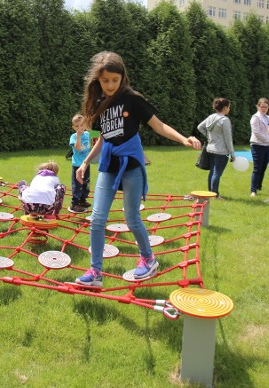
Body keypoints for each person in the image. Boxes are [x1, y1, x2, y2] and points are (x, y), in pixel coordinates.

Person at [71, 51, 201, 288]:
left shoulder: (133, 100)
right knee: (97, 219)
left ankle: (149, 259)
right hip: (108, 167)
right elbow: (103, 139)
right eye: (105, 80)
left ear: (122, 78)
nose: (110, 85)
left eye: (114, 80)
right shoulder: (100, 104)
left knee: (132, 218)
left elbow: (159, 126)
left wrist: (183, 139)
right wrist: (87, 161)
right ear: (98, 81)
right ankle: (95, 272)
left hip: (131, 166)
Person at [197, 97, 235, 199]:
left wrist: (209, 136)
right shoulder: (225, 120)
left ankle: (210, 193)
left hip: (210, 148)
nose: (229, 109)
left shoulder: (211, 117)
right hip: (221, 151)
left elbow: (200, 127)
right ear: (225, 107)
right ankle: (215, 195)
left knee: (212, 172)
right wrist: (232, 153)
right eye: (229, 107)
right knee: (217, 173)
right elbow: (228, 139)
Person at [67, 114, 92, 213]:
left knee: (86, 183)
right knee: (77, 184)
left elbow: (94, 145)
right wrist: (78, 136)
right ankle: (75, 203)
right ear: (73, 127)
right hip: (77, 165)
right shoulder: (73, 137)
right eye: (77, 126)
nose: (80, 128)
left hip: (86, 164)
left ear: (85, 125)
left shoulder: (88, 135)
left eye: (81, 125)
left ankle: (83, 200)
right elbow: (77, 148)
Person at [249, 98, 269, 197]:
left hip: (267, 146)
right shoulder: (255, 117)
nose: (264, 108)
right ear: (258, 106)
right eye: (262, 106)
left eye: (266, 107)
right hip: (257, 145)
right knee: (257, 168)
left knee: (263, 167)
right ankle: (253, 190)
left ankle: (259, 186)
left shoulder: (268, 117)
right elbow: (256, 133)